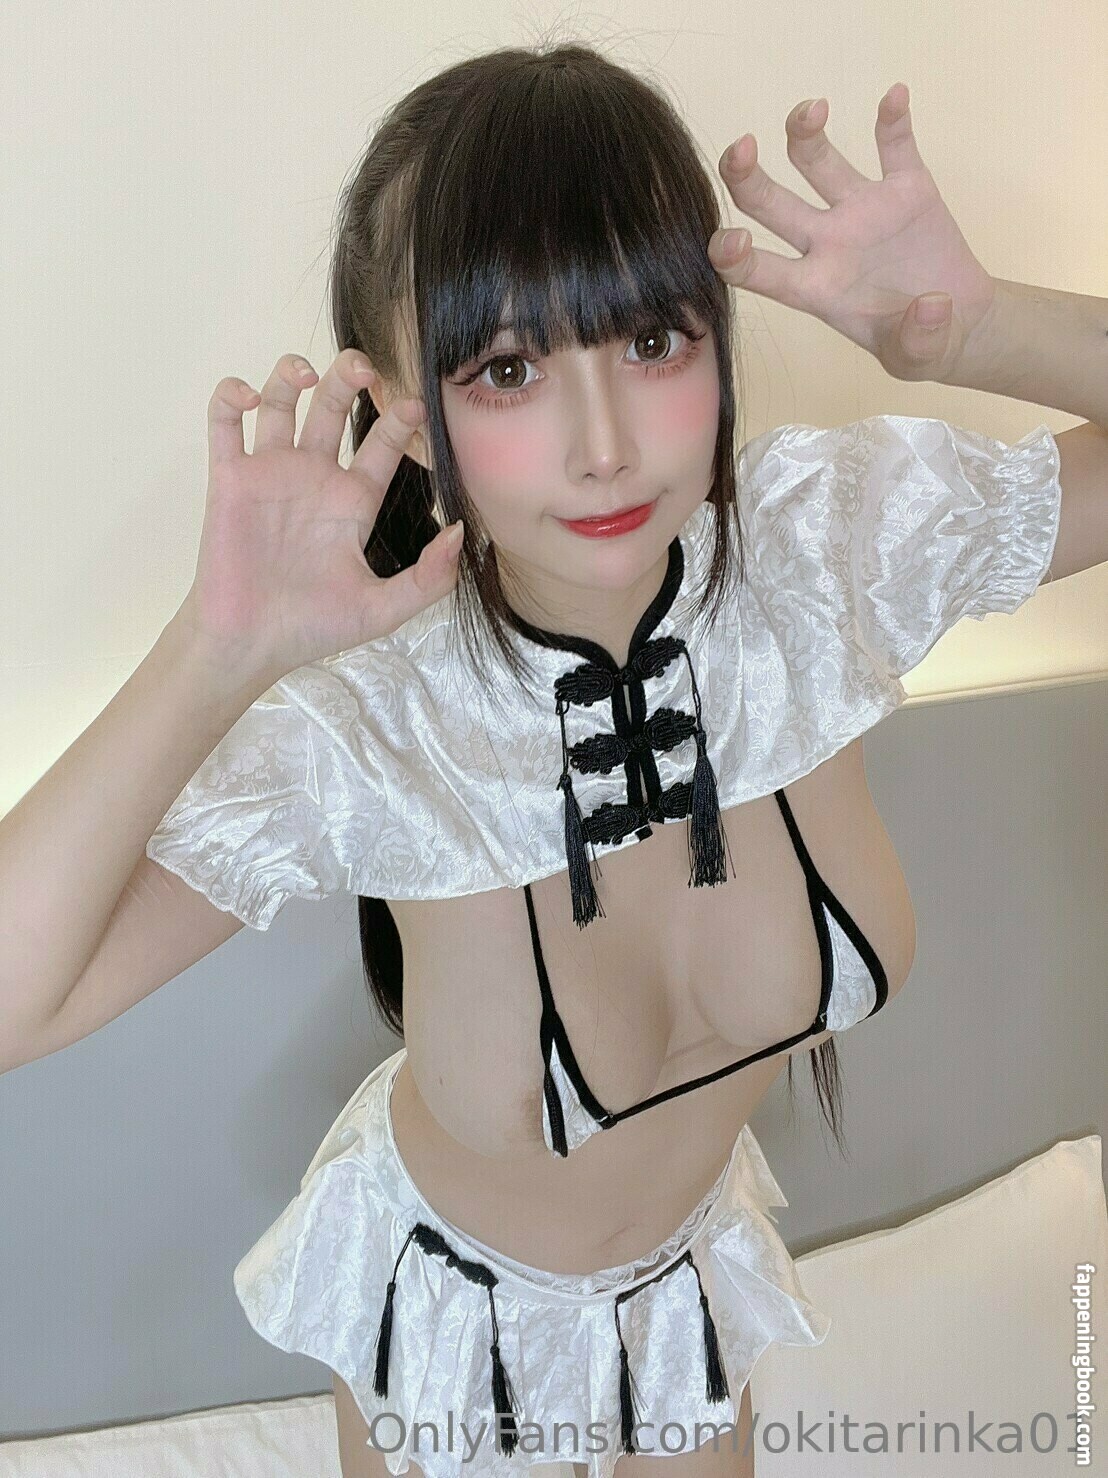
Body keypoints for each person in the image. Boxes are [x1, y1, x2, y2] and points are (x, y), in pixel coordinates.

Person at [6, 38, 1091, 1478]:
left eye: (651, 340)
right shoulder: (379, 717)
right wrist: (213, 651)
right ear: (405, 410)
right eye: (509, 368)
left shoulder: (827, 548)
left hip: (688, 1287)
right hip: (451, 1318)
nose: (604, 447)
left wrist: (980, 330)